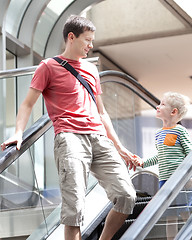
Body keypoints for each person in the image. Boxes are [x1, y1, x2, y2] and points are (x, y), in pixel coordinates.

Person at [1, 15, 137, 240]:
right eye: (87, 40)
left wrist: (120, 148)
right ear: (71, 37)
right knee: (74, 210)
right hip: (70, 139)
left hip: (99, 138)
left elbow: (102, 112)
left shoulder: (91, 70)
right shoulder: (48, 67)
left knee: (126, 196)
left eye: (92, 40)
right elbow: (27, 104)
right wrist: (17, 132)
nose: (91, 45)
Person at [136, 91, 192, 240]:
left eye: (162, 104)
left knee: (185, 212)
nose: (157, 106)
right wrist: (143, 162)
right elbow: (160, 156)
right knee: (169, 216)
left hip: (180, 182)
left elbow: (190, 155)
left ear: (173, 112)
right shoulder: (158, 134)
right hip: (165, 181)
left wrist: (189, 179)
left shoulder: (180, 131)